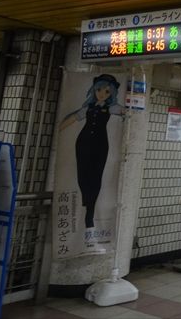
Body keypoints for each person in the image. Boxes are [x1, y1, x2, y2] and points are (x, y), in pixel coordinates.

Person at [59, 74, 124, 248]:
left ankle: (90, 213)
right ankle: (87, 202)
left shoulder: (111, 108)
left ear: (112, 93)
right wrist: (58, 130)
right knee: (82, 175)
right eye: (100, 90)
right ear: (94, 90)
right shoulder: (87, 108)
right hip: (83, 142)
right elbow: (72, 119)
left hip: (100, 145)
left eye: (107, 91)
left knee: (96, 177)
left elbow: (128, 112)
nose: (103, 93)